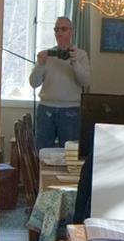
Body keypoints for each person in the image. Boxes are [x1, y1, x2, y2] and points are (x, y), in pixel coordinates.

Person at [28, 16, 90, 149]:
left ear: (71, 31)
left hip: (71, 110)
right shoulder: (47, 55)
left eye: (64, 29)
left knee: (69, 154)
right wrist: (40, 65)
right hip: (46, 109)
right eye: (56, 29)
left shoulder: (80, 55)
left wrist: (75, 63)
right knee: (42, 152)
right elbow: (33, 83)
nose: (59, 32)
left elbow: (85, 82)